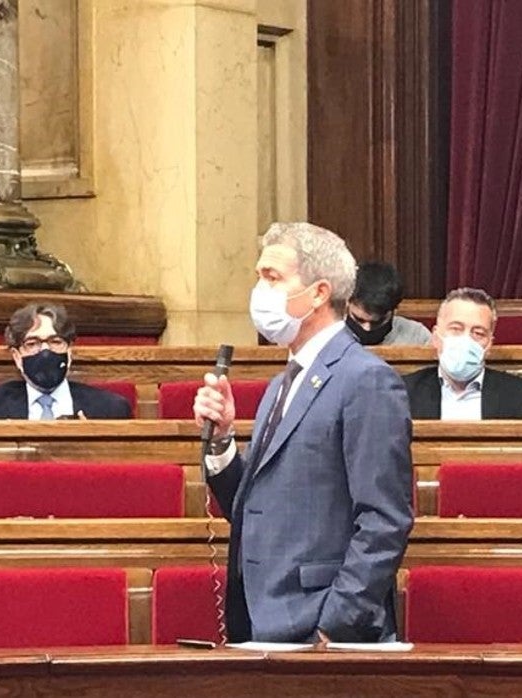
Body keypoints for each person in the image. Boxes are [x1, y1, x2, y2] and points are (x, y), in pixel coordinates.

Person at [193, 222, 413, 644]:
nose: (260, 289)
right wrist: (222, 440)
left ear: (318, 293)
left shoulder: (365, 380)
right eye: (259, 276)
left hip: (321, 634)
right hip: (264, 621)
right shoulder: (283, 383)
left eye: (272, 277)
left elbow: (385, 519)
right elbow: (254, 506)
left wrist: (334, 626)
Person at [0, 304, 132, 420]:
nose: (45, 352)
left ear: (69, 352)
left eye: (56, 342)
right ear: (17, 357)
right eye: (32, 344)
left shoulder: (111, 409)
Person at [402, 288, 522, 420]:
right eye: (456, 329)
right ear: (436, 337)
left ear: (489, 345)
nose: (466, 340)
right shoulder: (403, 393)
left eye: (478, 333)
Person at [345, 262, 431, 346]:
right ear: (346, 303)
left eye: (378, 322)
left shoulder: (417, 336)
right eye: (359, 319)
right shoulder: (332, 334)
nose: (367, 329)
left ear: (395, 310)